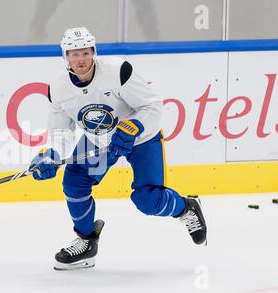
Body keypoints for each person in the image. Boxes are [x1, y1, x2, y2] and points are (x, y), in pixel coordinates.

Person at [29, 27, 207, 271]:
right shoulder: (58, 88)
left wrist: (134, 126)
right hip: (99, 142)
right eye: (73, 54)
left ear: (93, 52)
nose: (80, 60)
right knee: (74, 183)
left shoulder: (118, 71)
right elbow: (61, 132)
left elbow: (153, 106)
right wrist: (51, 154)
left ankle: (186, 208)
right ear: (65, 57)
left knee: (148, 200)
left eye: (84, 53)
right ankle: (86, 242)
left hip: (140, 139)